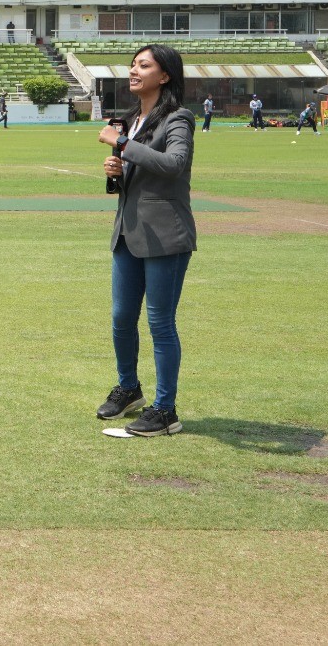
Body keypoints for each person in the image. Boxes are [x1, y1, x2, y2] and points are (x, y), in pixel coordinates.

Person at [96, 44, 195, 437]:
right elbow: (139, 172)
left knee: (160, 323)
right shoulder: (133, 120)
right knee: (121, 318)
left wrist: (120, 145)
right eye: (133, 65)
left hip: (166, 236)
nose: (133, 71)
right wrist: (116, 169)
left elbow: (175, 164)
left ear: (164, 75)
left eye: (143, 65)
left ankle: (165, 409)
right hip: (128, 231)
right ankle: (129, 388)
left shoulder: (178, 118)